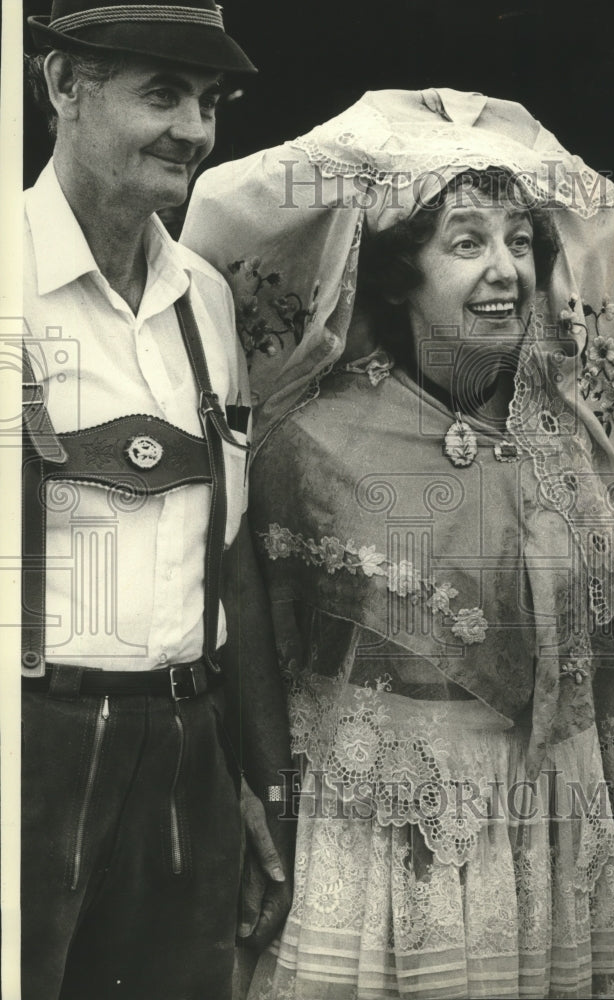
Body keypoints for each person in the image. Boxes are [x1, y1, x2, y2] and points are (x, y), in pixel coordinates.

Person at [182, 89, 614, 999]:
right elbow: (256, 652)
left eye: (520, 241)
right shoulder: (310, 449)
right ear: (392, 276)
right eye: (466, 242)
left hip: (545, 845)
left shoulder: (571, 448)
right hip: (381, 859)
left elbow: (607, 671)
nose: (507, 271)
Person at [21, 3, 293, 998]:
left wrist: (267, 780)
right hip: (30, 750)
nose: (195, 129)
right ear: (61, 85)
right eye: (161, 92)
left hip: (187, 747)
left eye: (209, 100)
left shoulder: (205, 299)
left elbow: (233, 554)